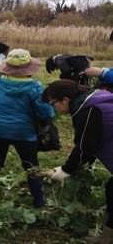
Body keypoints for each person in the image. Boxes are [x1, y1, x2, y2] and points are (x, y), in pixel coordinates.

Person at [0, 49, 55, 208]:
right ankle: (39, 200)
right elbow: (45, 112)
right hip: (24, 133)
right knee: (31, 165)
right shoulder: (35, 88)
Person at [42, 80, 113, 242]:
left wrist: (66, 170)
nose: (54, 109)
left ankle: (107, 239)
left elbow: (84, 146)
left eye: (53, 104)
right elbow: (95, 139)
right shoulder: (95, 97)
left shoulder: (87, 111)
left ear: (65, 100)